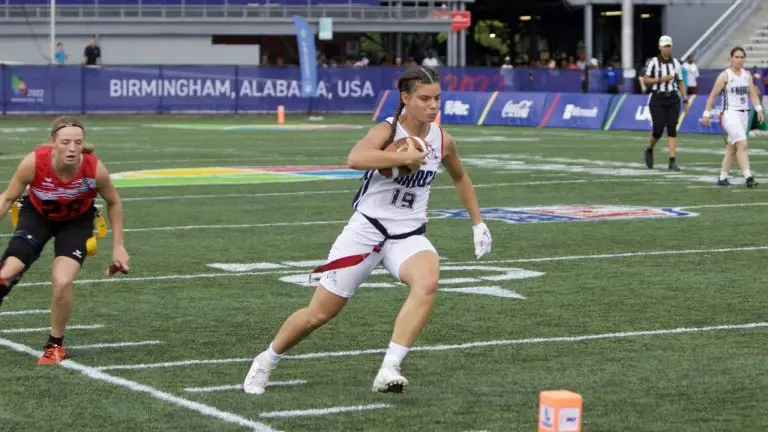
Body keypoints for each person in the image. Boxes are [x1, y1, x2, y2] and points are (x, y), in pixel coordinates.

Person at [242, 66, 493, 395]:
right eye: (424, 99)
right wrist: (398, 157)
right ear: (405, 98)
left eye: (437, 99)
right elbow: (354, 158)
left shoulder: (443, 139)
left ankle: (389, 367)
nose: (433, 106)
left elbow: (460, 177)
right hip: (366, 231)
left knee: (427, 280)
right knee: (319, 313)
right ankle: (266, 360)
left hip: (408, 234)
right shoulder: (387, 131)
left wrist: (478, 222)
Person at [0, 116, 129, 364]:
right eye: (66, 142)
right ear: (53, 143)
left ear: (83, 144)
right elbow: (7, 198)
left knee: (62, 281)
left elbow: (114, 202)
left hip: (76, 223)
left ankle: (55, 345)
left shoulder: (94, 169)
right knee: (8, 270)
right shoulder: (34, 162)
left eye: (77, 142)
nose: (72, 148)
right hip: (37, 216)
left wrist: (119, 246)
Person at [701, 47, 763, 188]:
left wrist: (759, 110)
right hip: (729, 113)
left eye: (742, 57)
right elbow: (713, 95)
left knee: (733, 147)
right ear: (731, 58)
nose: (739, 60)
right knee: (742, 144)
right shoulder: (725, 75)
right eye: (737, 57)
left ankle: (722, 177)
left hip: (744, 114)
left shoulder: (747, 74)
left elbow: (752, 94)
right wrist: (706, 113)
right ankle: (748, 177)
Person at [643, 35, 689, 171]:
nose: (667, 49)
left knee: (672, 129)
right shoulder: (654, 62)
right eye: (665, 46)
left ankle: (672, 161)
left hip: (673, 99)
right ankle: (649, 148)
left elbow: (680, 81)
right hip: (658, 98)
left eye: (669, 46)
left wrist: (685, 99)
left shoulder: (676, 63)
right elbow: (646, 80)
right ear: (660, 47)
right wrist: (661, 79)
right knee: (657, 129)